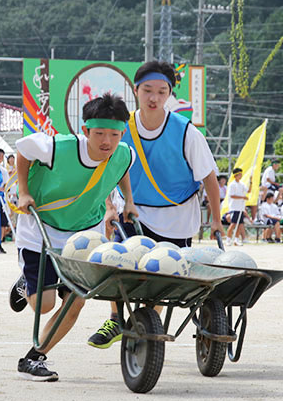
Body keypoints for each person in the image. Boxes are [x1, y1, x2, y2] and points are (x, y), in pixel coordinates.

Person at [87, 61, 223, 349]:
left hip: (178, 216)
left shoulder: (185, 131)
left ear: (169, 95)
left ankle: (148, 320)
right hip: (135, 211)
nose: (154, 98)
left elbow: (209, 176)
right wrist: (111, 205)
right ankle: (115, 319)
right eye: (147, 90)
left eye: (162, 92)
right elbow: (104, 168)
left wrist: (216, 219)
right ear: (136, 90)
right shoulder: (121, 128)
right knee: (118, 265)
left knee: (164, 277)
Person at [10, 93, 136, 381]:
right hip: (40, 230)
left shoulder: (123, 152)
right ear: (86, 130)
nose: (107, 141)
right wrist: (24, 190)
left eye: (114, 134)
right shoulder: (59, 147)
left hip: (84, 235)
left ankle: (35, 357)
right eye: (100, 133)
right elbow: (23, 151)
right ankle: (25, 284)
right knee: (43, 305)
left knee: (77, 300)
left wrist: (127, 201)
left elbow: (122, 169)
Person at [225, 168, 248, 246]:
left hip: (240, 208)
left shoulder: (242, 184)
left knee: (239, 224)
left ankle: (236, 240)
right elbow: (232, 195)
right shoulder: (232, 184)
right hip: (234, 207)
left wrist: (251, 182)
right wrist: (242, 197)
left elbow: (248, 190)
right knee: (233, 224)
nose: (241, 176)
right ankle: (228, 239)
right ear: (236, 175)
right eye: (239, 174)